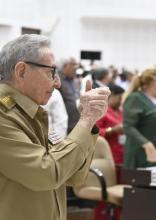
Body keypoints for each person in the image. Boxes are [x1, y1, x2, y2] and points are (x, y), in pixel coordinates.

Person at [0, 34, 110, 220]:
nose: (57, 82)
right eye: (51, 72)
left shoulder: (31, 113)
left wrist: (89, 123)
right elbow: (47, 173)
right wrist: (85, 120)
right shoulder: (4, 114)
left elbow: (73, 174)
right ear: (21, 71)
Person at [123, 67, 156, 169]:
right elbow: (128, 126)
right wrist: (146, 144)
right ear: (153, 81)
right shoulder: (136, 98)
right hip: (143, 154)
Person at [96, 83, 125, 182]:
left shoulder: (120, 111)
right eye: (119, 98)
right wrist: (111, 130)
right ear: (111, 95)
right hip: (109, 151)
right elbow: (94, 131)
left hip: (121, 150)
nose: (121, 101)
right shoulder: (101, 111)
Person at [58, 57, 80, 133]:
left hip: (76, 122)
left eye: (76, 64)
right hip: (65, 124)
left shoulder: (75, 81)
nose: (76, 67)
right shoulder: (58, 81)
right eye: (73, 64)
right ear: (65, 66)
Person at [43, 73, 68, 139]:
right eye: (50, 71)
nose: (58, 84)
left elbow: (61, 124)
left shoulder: (55, 94)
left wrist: (55, 145)